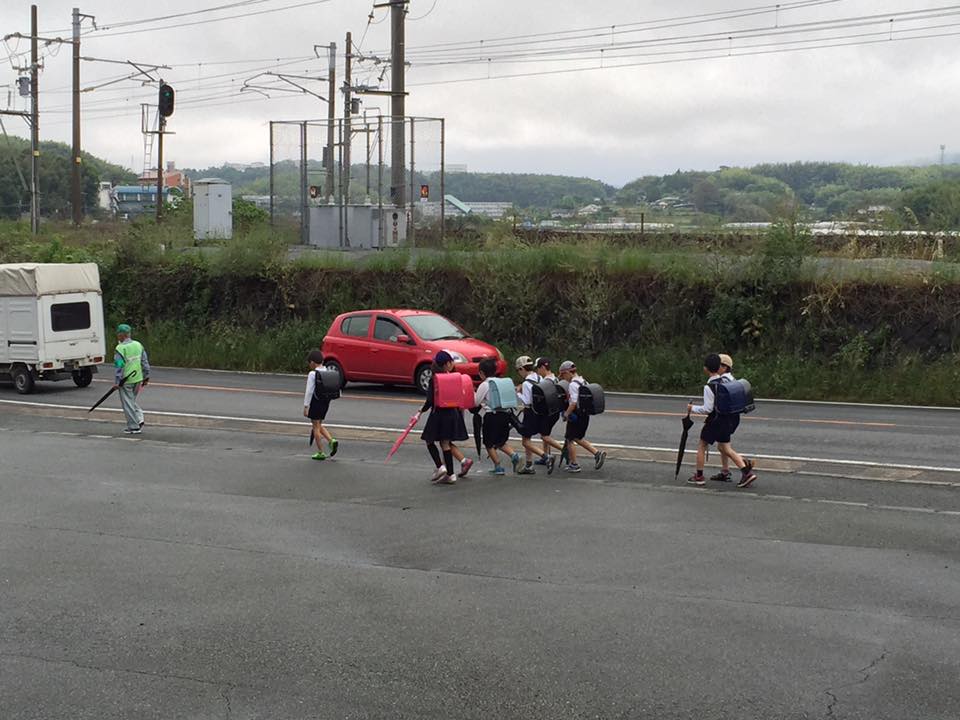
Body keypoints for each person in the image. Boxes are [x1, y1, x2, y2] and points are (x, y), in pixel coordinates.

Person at [686, 353, 757, 488]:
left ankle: (699, 476)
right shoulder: (726, 381)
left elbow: (707, 408)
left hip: (715, 420)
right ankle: (743, 469)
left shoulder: (709, 386)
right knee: (724, 447)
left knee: (702, 445)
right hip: (727, 419)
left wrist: (692, 408)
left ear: (705, 369)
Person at [416, 351, 471, 485]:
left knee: (429, 441)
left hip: (438, 414)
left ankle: (440, 466)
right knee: (445, 443)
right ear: (447, 364)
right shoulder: (454, 378)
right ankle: (451, 474)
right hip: (453, 414)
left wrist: (420, 411)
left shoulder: (435, 379)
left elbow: (430, 400)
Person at [474, 358, 522, 475]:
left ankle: (498, 466)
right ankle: (514, 455)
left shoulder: (485, 385)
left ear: (481, 373)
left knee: (488, 442)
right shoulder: (502, 382)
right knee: (500, 441)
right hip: (505, 415)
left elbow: (476, 402)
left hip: (492, 416)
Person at [557, 360, 606, 473]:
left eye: (563, 375)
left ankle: (574, 464)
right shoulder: (583, 381)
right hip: (585, 414)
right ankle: (597, 453)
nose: (564, 378)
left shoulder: (573, 385)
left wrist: (566, 414)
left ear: (568, 372)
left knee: (570, 439)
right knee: (578, 438)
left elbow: (573, 403)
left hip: (576, 415)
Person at [515, 355, 555, 475]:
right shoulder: (539, 377)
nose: (519, 373)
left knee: (525, 441)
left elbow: (527, 401)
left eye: (518, 370)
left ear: (522, 369)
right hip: (540, 412)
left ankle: (546, 457)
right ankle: (528, 464)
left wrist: (518, 393)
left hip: (530, 413)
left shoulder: (527, 383)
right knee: (528, 438)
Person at [113, 323, 150, 435]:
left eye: (118, 334)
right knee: (131, 401)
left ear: (121, 335)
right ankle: (139, 418)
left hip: (126, 380)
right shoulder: (138, 345)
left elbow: (119, 366)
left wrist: (117, 382)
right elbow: (144, 362)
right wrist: (146, 375)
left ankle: (134, 426)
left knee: (127, 403)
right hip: (138, 378)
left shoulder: (120, 348)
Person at [303, 350, 339, 461]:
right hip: (325, 402)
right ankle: (331, 441)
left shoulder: (313, 374)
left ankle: (320, 452)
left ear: (313, 362)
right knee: (318, 424)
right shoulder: (327, 371)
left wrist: (306, 406)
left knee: (315, 427)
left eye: (309, 363)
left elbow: (309, 391)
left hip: (316, 402)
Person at [532, 357, 565, 467]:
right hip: (555, 411)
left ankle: (564, 450)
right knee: (545, 433)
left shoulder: (546, 382)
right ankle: (545, 456)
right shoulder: (555, 378)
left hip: (548, 412)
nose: (537, 371)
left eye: (538, 369)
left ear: (542, 367)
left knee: (544, 436)